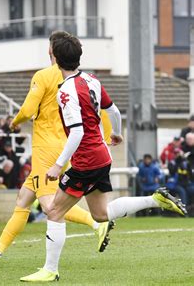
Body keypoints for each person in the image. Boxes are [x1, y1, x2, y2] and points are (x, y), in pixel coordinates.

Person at [20, 32, 186, 282]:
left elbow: (76, 132)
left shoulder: (65, 91)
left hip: (86, 160)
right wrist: (116, 134)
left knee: (54, 211)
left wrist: (56, 166)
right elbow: (114, 110)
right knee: (100, 214)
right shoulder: (91, 80)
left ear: (53, 57)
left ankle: (50, 270)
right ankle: (155, 199)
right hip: (102, 155)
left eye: (50, 49)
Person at [0, 31, 114, 269]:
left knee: (50, 207)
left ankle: (96, 223)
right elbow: (102, 110)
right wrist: (107, 136)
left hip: (45, 149)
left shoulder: (44, 76)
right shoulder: (82, 80)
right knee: (23, 199)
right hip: (65, 146)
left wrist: (15, 121)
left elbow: (28, 110)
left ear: (52, 51)